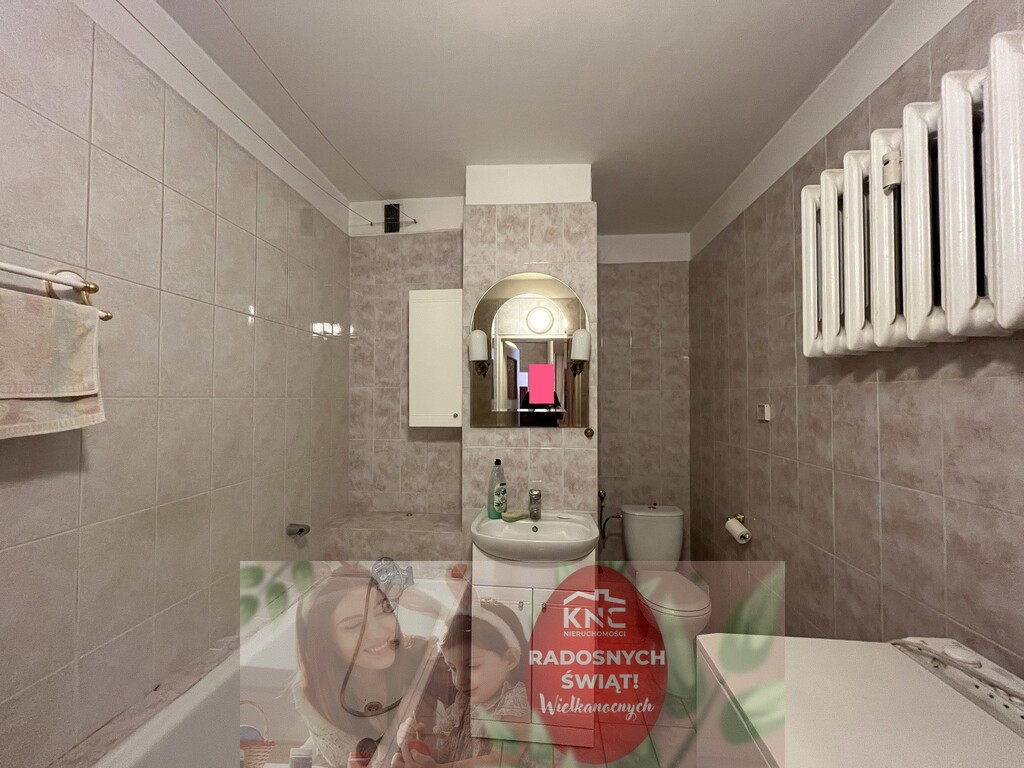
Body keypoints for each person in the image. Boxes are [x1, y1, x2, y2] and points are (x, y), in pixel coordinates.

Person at [293, 564, 442, 767]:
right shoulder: (311, 691)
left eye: (383, 611)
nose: (379, 633)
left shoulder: (424, 657)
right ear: (325, 642)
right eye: (354, 626)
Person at [397, 599, 534, 768]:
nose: (460, 680)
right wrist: (418, 751)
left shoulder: (518, 702)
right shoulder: (463, 705)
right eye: (453, 668)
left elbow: (502, 760)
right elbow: (449, 756)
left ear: (511, 659)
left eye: (472, 666)